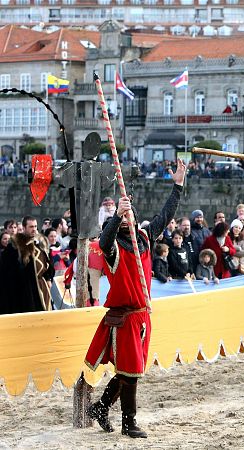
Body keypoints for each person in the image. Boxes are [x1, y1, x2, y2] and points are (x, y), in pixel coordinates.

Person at [84, 159, 185, 439]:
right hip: (125, 317)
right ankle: (129, 423)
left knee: (133, 370)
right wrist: (117, 215)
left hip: (142, 315)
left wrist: (177, 185)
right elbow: (103, 242)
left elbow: (165, 216)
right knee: (131, 373)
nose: (130, 219)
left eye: (130, 214)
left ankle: (102, 408)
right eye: (125, 217)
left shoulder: (143, 237)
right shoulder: (114, 246)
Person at [0, 216, 54, 315]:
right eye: (31, 227)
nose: (34, 229)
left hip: (41, 287)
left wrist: (48, 278)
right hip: (24, 290)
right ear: (24, 228)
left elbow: (49, 265)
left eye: (35, 226)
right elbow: (7, 271)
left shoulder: (41, 244)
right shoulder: (15, 246)